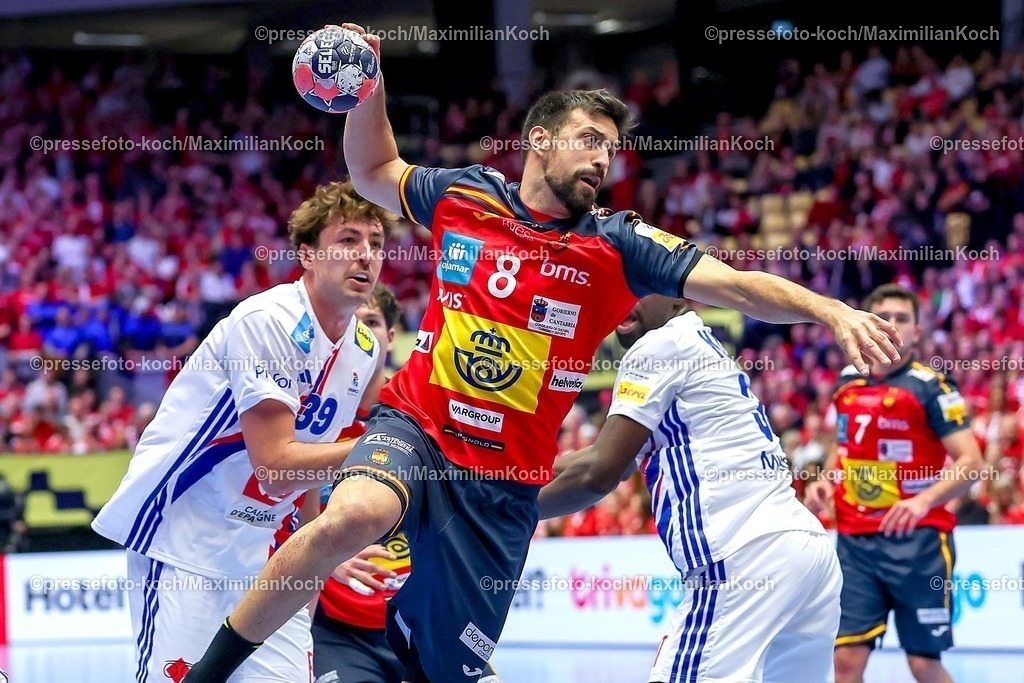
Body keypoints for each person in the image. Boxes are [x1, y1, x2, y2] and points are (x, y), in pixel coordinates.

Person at [184, 23, 901, 683]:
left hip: (501, 486)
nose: (601, 159)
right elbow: (375, 169)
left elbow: (737, 283)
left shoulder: (618, 244)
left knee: (446, 664)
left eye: (611, 151)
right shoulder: (466, 196)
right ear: (539, 141)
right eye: (588, 139)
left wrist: (828, 308)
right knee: (348, 519)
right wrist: (367, 90)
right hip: (419, 428)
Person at [91, 180, 390, 682]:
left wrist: (312, 565)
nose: (365, 256)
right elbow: (275, 467)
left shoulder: (364, 347)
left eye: (376, 244)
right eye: (347, 240)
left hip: (262, 553)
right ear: (307, 254)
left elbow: (311, 475)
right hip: (183, 538)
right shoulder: (266, 320)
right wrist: (381, 448)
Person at [539, 295, 841, 682]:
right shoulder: (698, 345)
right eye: (616, 288)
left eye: (638, 286)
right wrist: (507, 475)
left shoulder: (660, 344)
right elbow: (602, 459)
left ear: (676, 292)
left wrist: (507, 510)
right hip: (804, 551)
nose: (621, 301)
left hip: (742, 556)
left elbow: (599, 473)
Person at [309, 285, 501, 683]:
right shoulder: (313, 414)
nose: (361, 331)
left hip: (428, 621)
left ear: (392, 337)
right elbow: (280, 503)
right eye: (351, 321)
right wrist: (324, 552)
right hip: (343, 635)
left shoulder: (429, 414)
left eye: (373, 322)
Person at [804, 284, 984, 683]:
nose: (891, 325)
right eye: (883, 316)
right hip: (855, 542)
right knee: (846, 661)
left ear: (917, 332)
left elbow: (971, 463)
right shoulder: (847, 382)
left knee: (923, 664)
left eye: (902, 318)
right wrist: (827, 480)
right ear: (867, 323)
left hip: (918, 543)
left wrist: (923, 502)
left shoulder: (932, 387)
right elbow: (848, 444)